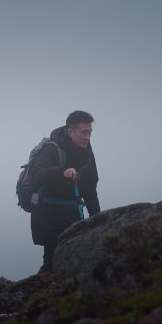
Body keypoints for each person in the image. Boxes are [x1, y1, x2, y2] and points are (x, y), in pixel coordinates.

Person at [29, 110, 101, 273]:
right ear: (70, 131)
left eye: (90, 132)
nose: (88, 137)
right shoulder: (52, 149)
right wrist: (62, 171)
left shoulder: (86, 151)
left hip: (71, 214)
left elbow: (90, 188)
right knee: (51, 263)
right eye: (84, 132)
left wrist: (98, 220)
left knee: (74, 263)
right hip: (49, 215)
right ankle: (42, 293)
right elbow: (36, 175)